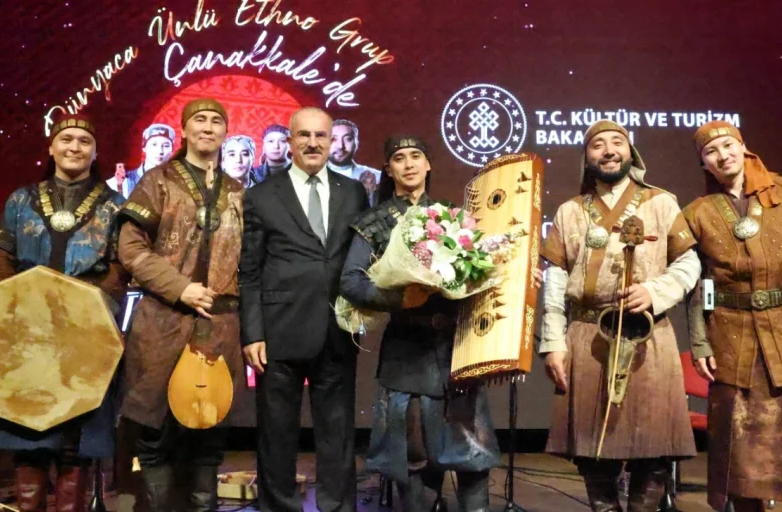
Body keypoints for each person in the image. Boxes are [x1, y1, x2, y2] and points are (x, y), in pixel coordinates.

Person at [539, 120, 700, 511]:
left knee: (653, 449)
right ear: (587, 157)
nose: (609, 150)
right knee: (593, 453)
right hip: (586, 335)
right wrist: (553, 342)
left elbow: (689, 262)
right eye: (598, 145)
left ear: (631, 153)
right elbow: (555, 282)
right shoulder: (569, 211)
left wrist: (655, 292)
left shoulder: (661, 202)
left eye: (617, 142)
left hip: (649, 335)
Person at [683, 121, 782, 512]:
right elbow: (697, 284)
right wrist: (700, 341)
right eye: (711, 152)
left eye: (728, 145)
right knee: (741, 458)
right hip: (731, 341)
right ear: (704, 163)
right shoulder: (697, 213)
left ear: (743, 148)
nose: (722, 156)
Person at [340, 135, 503, 512]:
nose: (409, 164)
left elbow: (479, 273)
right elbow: (351, 282)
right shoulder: (373, 222)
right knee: (414, 459)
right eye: (399, 158)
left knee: (473, 457)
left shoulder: (452, 217)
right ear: (388, 169)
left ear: (428, 164)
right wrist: (400, 299)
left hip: (456, 352)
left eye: (416, 156)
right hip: (406, 358)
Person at [0, 114, 127, 512]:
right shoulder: (20, 200)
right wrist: (7, 309)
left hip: (86, 329)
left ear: (95, 152)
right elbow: (4, 262)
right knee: (27, 431)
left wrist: (90, 308)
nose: (74, 147)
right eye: (66, 139)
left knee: (75, 439)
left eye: (84, 141)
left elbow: (120, 268)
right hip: (29, 329)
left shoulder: (115, 205)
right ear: (51, 147)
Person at [117, 98, 247, 511]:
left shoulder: (239, 191)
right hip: (162, 320)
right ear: (185, 129)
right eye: (199, 120)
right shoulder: (157, 181)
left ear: (225, 132)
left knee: (208, 434)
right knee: (155, 432)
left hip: (220, 327)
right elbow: (131, 248)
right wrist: (180, 288)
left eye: (216, 121)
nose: (208, 127)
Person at [239, 107, 368, 512]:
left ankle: (338, 507)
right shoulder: (261, 195)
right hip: (279, 331)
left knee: (338, 434)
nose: (313, 143)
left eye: (321, 136)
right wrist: (252, 333)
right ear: (290, 142)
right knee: (276, 434)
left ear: (330, 141)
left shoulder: (354, 192)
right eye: (304, 135)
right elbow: (249, 270)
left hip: (337, 330)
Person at [107, 123, 175, 196]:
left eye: (166, 146)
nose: (160, 151)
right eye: (154, 144)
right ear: (144, 147)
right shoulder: (122, 182)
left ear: (172, 149)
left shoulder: (178, 181)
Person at [328, 120, 380, 205]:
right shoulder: (314, 178)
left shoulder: (377, 178)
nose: (340, 146)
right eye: (333, 139)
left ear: (357, 143)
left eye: (348, 139)